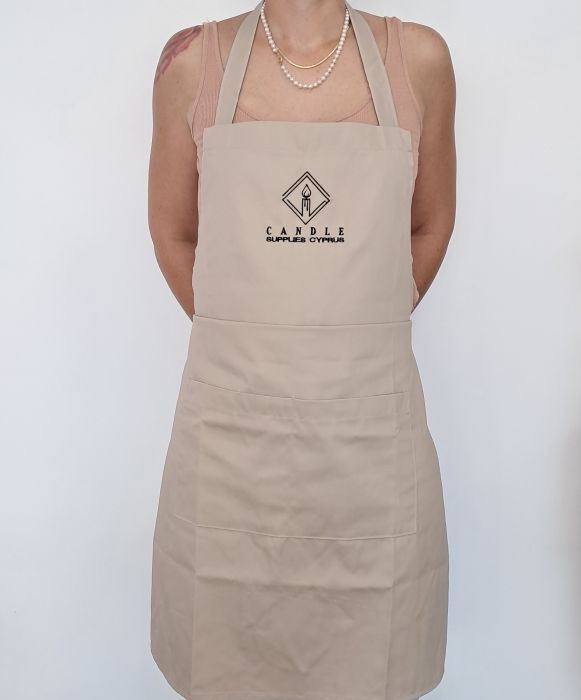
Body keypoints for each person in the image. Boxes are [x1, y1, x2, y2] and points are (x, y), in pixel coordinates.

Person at [148, 2, 456, 700]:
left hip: (369, 448)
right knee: (224, 663)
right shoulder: (193, 65)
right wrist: (253, 337)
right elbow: (173, 233)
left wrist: (352, 329)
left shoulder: (419, 61)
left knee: (372, 667)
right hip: (231, 444)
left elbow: (431, 223)